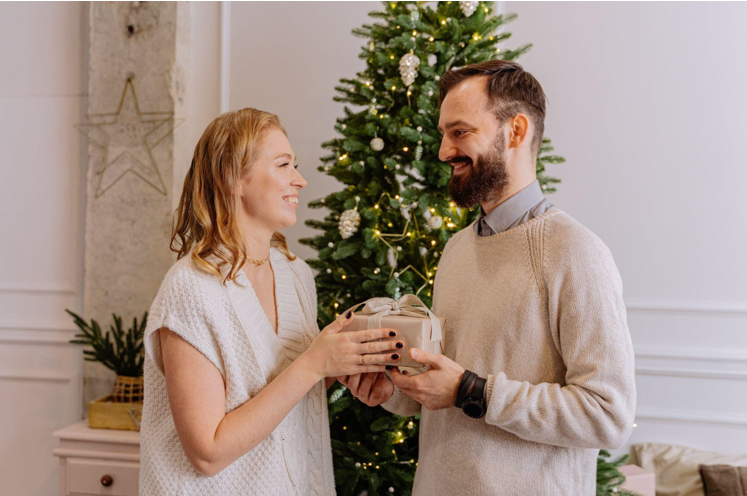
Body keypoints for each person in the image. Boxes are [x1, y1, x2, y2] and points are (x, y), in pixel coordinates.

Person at [339, 60, 637, 495]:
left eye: (459, 132)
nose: (443, 151)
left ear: (515, 131)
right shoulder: (458, 249)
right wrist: (394, 392)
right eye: (443, 133)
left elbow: (608, 416)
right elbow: (447, 383)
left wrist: (471, 390)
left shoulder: (575, 253)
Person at [139, 108, 404, 496]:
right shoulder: (190, 289)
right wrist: (315, 363)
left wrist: (346, 361)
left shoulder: (295, 274)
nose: (300, 179)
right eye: (283, 165)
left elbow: (289, 386)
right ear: (231, 177)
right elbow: (207, 453)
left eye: (295, 166)